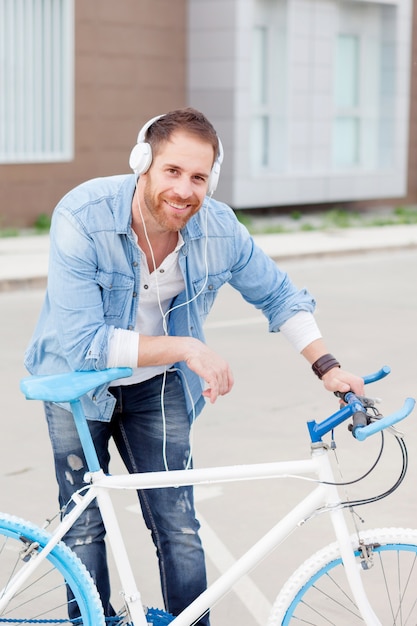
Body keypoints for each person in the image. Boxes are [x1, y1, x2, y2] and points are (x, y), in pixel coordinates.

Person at [24, 107, 364, 624]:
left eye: (199, 177)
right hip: (75, 385)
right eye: (173, 171)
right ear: (144, 163)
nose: (185, 190)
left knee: (178, 524)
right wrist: (186, 348)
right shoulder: (83, 214)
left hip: (154, 386)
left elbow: (279, 295)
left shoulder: (218, 228)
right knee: (85, 525)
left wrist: (328, 367)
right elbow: (86, 345)